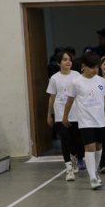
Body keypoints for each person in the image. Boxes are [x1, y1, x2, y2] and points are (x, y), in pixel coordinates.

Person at [62, 51, 105, 189]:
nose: (95, 70)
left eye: (96, 67)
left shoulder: (101, 81)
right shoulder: (76, 82)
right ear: (83, 66)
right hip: (85, 121)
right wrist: (65, 117)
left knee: (99, 147)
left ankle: (95, 171)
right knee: (90, 147)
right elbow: (69, 101)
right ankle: (92, 178)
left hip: (100, 121)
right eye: (92, 67)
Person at [46, 50, 82, 181]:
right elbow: (52, 97)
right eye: (65, 60)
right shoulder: (55, 78)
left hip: (76, 113)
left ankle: (75, 157)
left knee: (76, 141)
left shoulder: (77, 75)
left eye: (70, 59)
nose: (68, 62)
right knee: (65, 141)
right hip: (61, 114)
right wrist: (49, 114)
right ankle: (69, 169)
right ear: (58, 62)